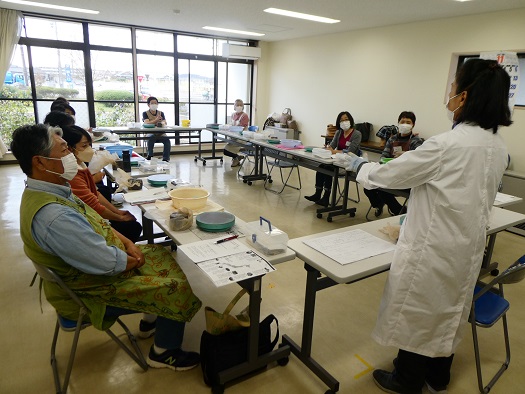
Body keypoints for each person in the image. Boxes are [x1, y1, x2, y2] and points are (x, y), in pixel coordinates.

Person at [345, 59, 511, 393]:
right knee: (448, 311)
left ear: (463, 97)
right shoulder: (497, 147)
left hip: (433, 249)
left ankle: (407, 379)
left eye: (452, 88)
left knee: (418, 311)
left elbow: (391, 174)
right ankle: (438, 376)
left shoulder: (447, 145)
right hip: (466, 248)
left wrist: (361, 166)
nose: (448, 94)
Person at [12, 124, 201, 371]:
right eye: (64, 150)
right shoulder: (54, 216)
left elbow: (95, 218)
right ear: (40, 162)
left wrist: (128, 243)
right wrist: (133, 259)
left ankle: (151, 321)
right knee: (174, 286)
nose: (71, 155)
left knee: (158, 252)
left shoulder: (54, 190)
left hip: (97, 265)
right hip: (89, 289)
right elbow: (106, 263)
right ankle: (164, 352)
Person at [61, 124, 143, 242]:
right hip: (87, 223)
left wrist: (117, 212)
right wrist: (119, 218)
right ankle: (121, 254)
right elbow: (93, 204)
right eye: (84, 146)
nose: (90, 149)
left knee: (127, 221)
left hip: (91, 216)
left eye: (89, 145)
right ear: (69, 148)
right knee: (132, 227)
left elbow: (96, 194)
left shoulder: (81, 165)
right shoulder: (72, 172)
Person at [364, 111, 424, 216]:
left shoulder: (416, 141)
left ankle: (398, 210)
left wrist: (405, 156)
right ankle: (379, 203)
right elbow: (384, 156)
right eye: (402, 121)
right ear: (398, 123)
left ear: (413, 125)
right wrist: (385, 162)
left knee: (382, 188)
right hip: (389, 171)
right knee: (367, 184)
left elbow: (417, 160)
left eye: (408, 122)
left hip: (405, 176)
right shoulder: (392, 139)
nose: (405, 124)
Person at [304, 111, 361, 207]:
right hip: (337, 160)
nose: (344, 122)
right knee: (321, 166)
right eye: (341, 120)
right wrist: (328, 147)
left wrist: (333, 151)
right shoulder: (339, 132)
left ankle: (326, 197)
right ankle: (317, 194)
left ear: (351, 120)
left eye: (346, 119)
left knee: (328, 169)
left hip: (348, 164)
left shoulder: (356, 134)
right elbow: (332, 146)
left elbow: (350, 151)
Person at [142, 96, 170, 162]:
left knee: (167, 140)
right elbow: (147, 122)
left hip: (160, 133)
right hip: (150, 133)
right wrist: (156, 120)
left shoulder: (161, 113)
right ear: (148, 105)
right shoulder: (145, 113)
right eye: (152, 103)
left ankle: (166, 158)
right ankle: (150, 155)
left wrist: (161, 123)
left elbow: (164, 122)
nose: (154, 105)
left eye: (155, 103)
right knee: (151, 137)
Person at [223, 99, 249, 167]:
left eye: (241, 105)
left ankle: (236, 158)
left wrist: (233, 128)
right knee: (225, 151)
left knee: (227, 151)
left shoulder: (244, 116)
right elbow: (231, 124)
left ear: (243, 106)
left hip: (241, 138)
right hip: (233, 137)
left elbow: (242, 128)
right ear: (234, 106)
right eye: (237, 105)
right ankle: (237, 158)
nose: (239, 106)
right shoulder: (233, 115)